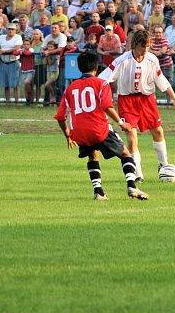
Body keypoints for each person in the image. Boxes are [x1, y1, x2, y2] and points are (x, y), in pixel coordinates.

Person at [54, 51, 148, 201]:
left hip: (79, 131)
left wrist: (68, 136)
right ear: (96, 68)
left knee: (93, 156)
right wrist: (121, 122)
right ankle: (132, 186)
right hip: (98, 128)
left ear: (79, 68)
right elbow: (107, 107)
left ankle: (98, 192)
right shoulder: (102, 83)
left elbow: (60, 117)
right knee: (125, 154)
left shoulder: (70, 88)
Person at [98, 30, 175, 182]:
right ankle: (137, 173)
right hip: (127, 100)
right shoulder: (122, 60)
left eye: (148, 46)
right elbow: (103, 79)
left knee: (158, 131)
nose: (145, 50)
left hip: (147, 100)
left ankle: (164, 165)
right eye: (143, 46)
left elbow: (161, 79)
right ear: (135, 45)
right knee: (131, 134)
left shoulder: (151, 59)